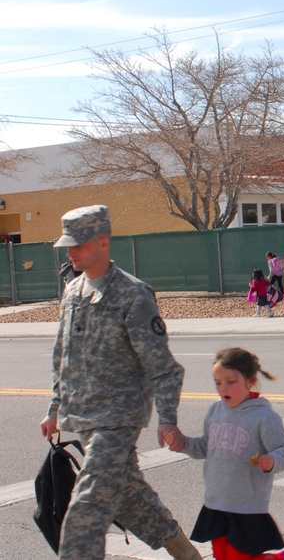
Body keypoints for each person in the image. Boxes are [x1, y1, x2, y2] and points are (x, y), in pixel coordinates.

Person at [39, 205, 200, 560]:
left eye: (78, 244)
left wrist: (168, 418)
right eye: (68, 245)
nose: (71, 252)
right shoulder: (73, 291)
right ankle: (188, 555)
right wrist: (54, 407)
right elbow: (62, 354)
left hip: (117, 420)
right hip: (82, 417)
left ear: (103, 242)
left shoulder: (133, 295)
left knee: (87, 505)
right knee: (129, 498)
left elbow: (163, 366)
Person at [164, 348, 284, 560]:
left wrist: (272, 461)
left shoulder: (264, 416)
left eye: (231, 381)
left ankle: (277, 559)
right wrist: (183, 444)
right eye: (217, 382)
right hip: (216, 502)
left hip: (247, 506)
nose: (223, 387)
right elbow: (206, 446)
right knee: (221, 556)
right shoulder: (215, 411)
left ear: (250, 381)